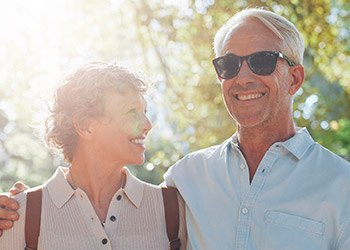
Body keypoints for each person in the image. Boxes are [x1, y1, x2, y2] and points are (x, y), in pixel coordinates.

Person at [1, 7, 350, 250]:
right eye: (228, 65)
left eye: (262, 61)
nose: (243, 78)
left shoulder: (341, 185)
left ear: (295, 77)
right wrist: (21, 207)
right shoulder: (186, 179)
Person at [0, 61, 186, 249]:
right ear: (85, 126)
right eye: (132, 112)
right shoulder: (19, 214)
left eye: (144, 111)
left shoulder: (172, 209)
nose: (147, 124)